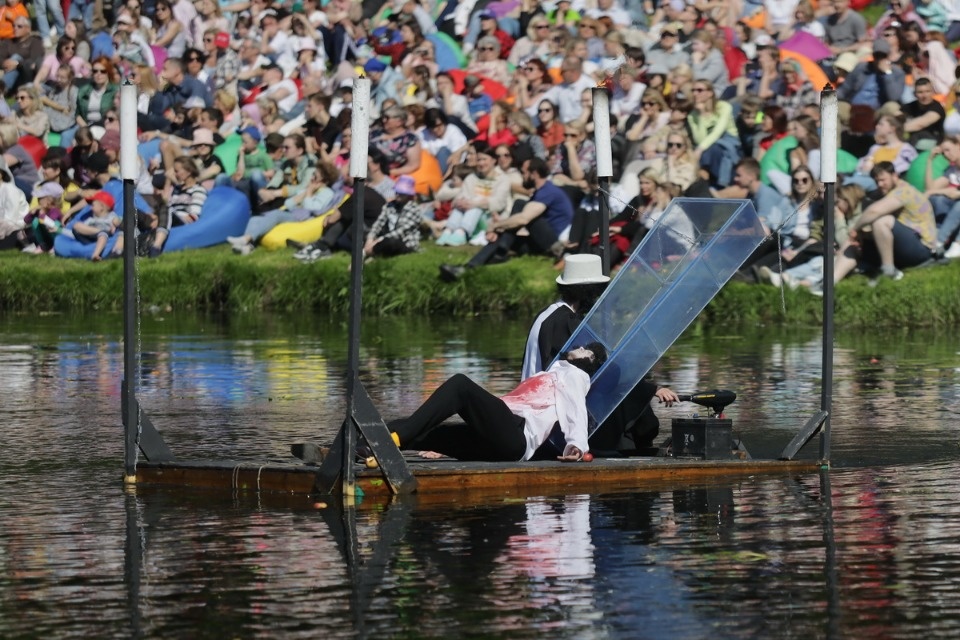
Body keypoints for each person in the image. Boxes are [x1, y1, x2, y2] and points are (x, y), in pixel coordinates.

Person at [522, 254, 680, 454]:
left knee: (626, 386)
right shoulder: (565, 321)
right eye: (596, 293)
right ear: (586, 292)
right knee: (625, 392)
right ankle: (638, 448)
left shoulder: (549, 313)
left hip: (537, 400)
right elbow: (585, 373)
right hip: (548, 417)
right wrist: (651, 389)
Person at [386, 343, 607, 462]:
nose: (578, 348)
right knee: (430, 434)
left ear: (588, 361)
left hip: (517, 436)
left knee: (460, 386)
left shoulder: (577, 376)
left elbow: (575, 408)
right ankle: (365, 443)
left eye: (585, 350)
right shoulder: (553, 373)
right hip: (499, 435)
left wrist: (577, 445)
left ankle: (397, 437)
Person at [439, 158, 572, 281]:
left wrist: (496, 226)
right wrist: (500, 228)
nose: (522, 176)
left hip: (553, 243)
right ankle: (470, 266)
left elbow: (524, 219)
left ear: (534, 174)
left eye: (524, 172)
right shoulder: (540, 192)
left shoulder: (548, 191)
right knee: (503, 234)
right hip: (539, 241)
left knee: (520, 205)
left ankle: (498, 252)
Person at [834, 161, 937, 283]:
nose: (880, 184)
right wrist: (860, 236)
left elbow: (874, 212)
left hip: (922, 248)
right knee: (855, 243)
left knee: (881, 221)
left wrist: (855, 230)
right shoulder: (887, 193)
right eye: (877, 181)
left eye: (883, 180)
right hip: (903, 248)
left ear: (895, 175)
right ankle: (828, 283)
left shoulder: (904, 191)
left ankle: (888, 271)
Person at [363, 175, 422, 260]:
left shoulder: (414, 209)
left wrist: (379, 240)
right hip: (385, 236)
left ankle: (369, 254)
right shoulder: (390, 205)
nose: (397, 195)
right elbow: (379, 222)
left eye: (401, 194)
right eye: (397, 192)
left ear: (408, 195)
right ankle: (370, 252)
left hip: (404, 242)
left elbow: (401, 231)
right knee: (361, 234)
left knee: (390, 242)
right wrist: (370, 237)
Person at [70, 190, 119, 261]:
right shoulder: (91, 219)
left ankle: (95, 255)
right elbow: (82, 228)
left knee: (103, 235)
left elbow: (118, 222)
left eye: (93, 205)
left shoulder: (111, 216)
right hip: (90, 236)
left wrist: (115, 225)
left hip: (104, 236)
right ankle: (99, 232)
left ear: (102, 207)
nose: (91, 208)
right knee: (76, 225)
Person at [21, 180, 63, 253]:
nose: (38, 200)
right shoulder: (40, 209)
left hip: (58, 235)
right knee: (35, 221)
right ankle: (43, 245)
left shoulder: (55, 210)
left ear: (50, 200)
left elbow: (49, 222)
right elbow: (26, 220)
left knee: (55, 223)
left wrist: (42, 213)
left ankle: (56, 245)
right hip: (46, 235)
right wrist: (32, 212)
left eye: (41, 198)